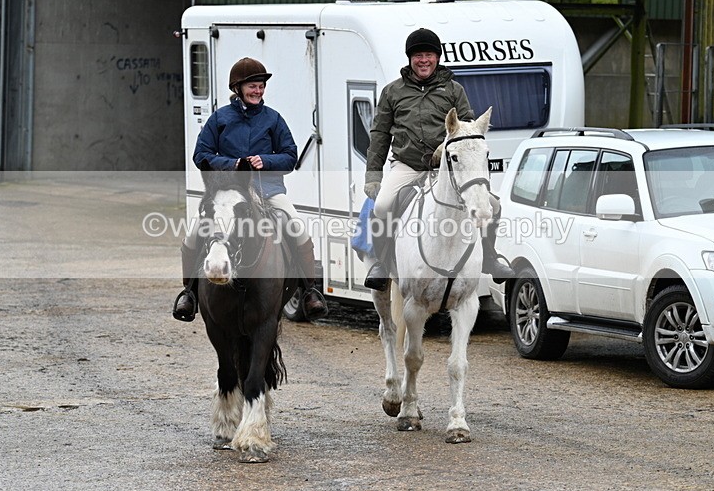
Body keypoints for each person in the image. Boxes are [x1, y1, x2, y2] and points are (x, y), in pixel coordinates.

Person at [172, 57, 327, 322]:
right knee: (193, 235)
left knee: (298, 228)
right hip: (227, 194)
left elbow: (290, 156)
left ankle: (309, 290)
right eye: (253, 87)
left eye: (261, 87)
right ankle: (189, 293)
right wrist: (233, 165)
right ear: (238, 88)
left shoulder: (273, 119)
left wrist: (264, 161)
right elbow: (201, 155)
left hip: (268, 190)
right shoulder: (219, 118)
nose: (258, 91)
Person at [362, 28, 515, 291]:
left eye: (429, 55)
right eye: (418, 55)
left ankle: (490, 256)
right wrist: (373, 174)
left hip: (446, 167)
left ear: (437, 57)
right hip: (408, 165)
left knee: (493, 206)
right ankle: (382, 263)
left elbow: (468, 130)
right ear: (410, 58)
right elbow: (379, 134)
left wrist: (444, 150)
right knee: (382, 205)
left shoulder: (454, 89)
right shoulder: (392, 92)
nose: (424, 60)